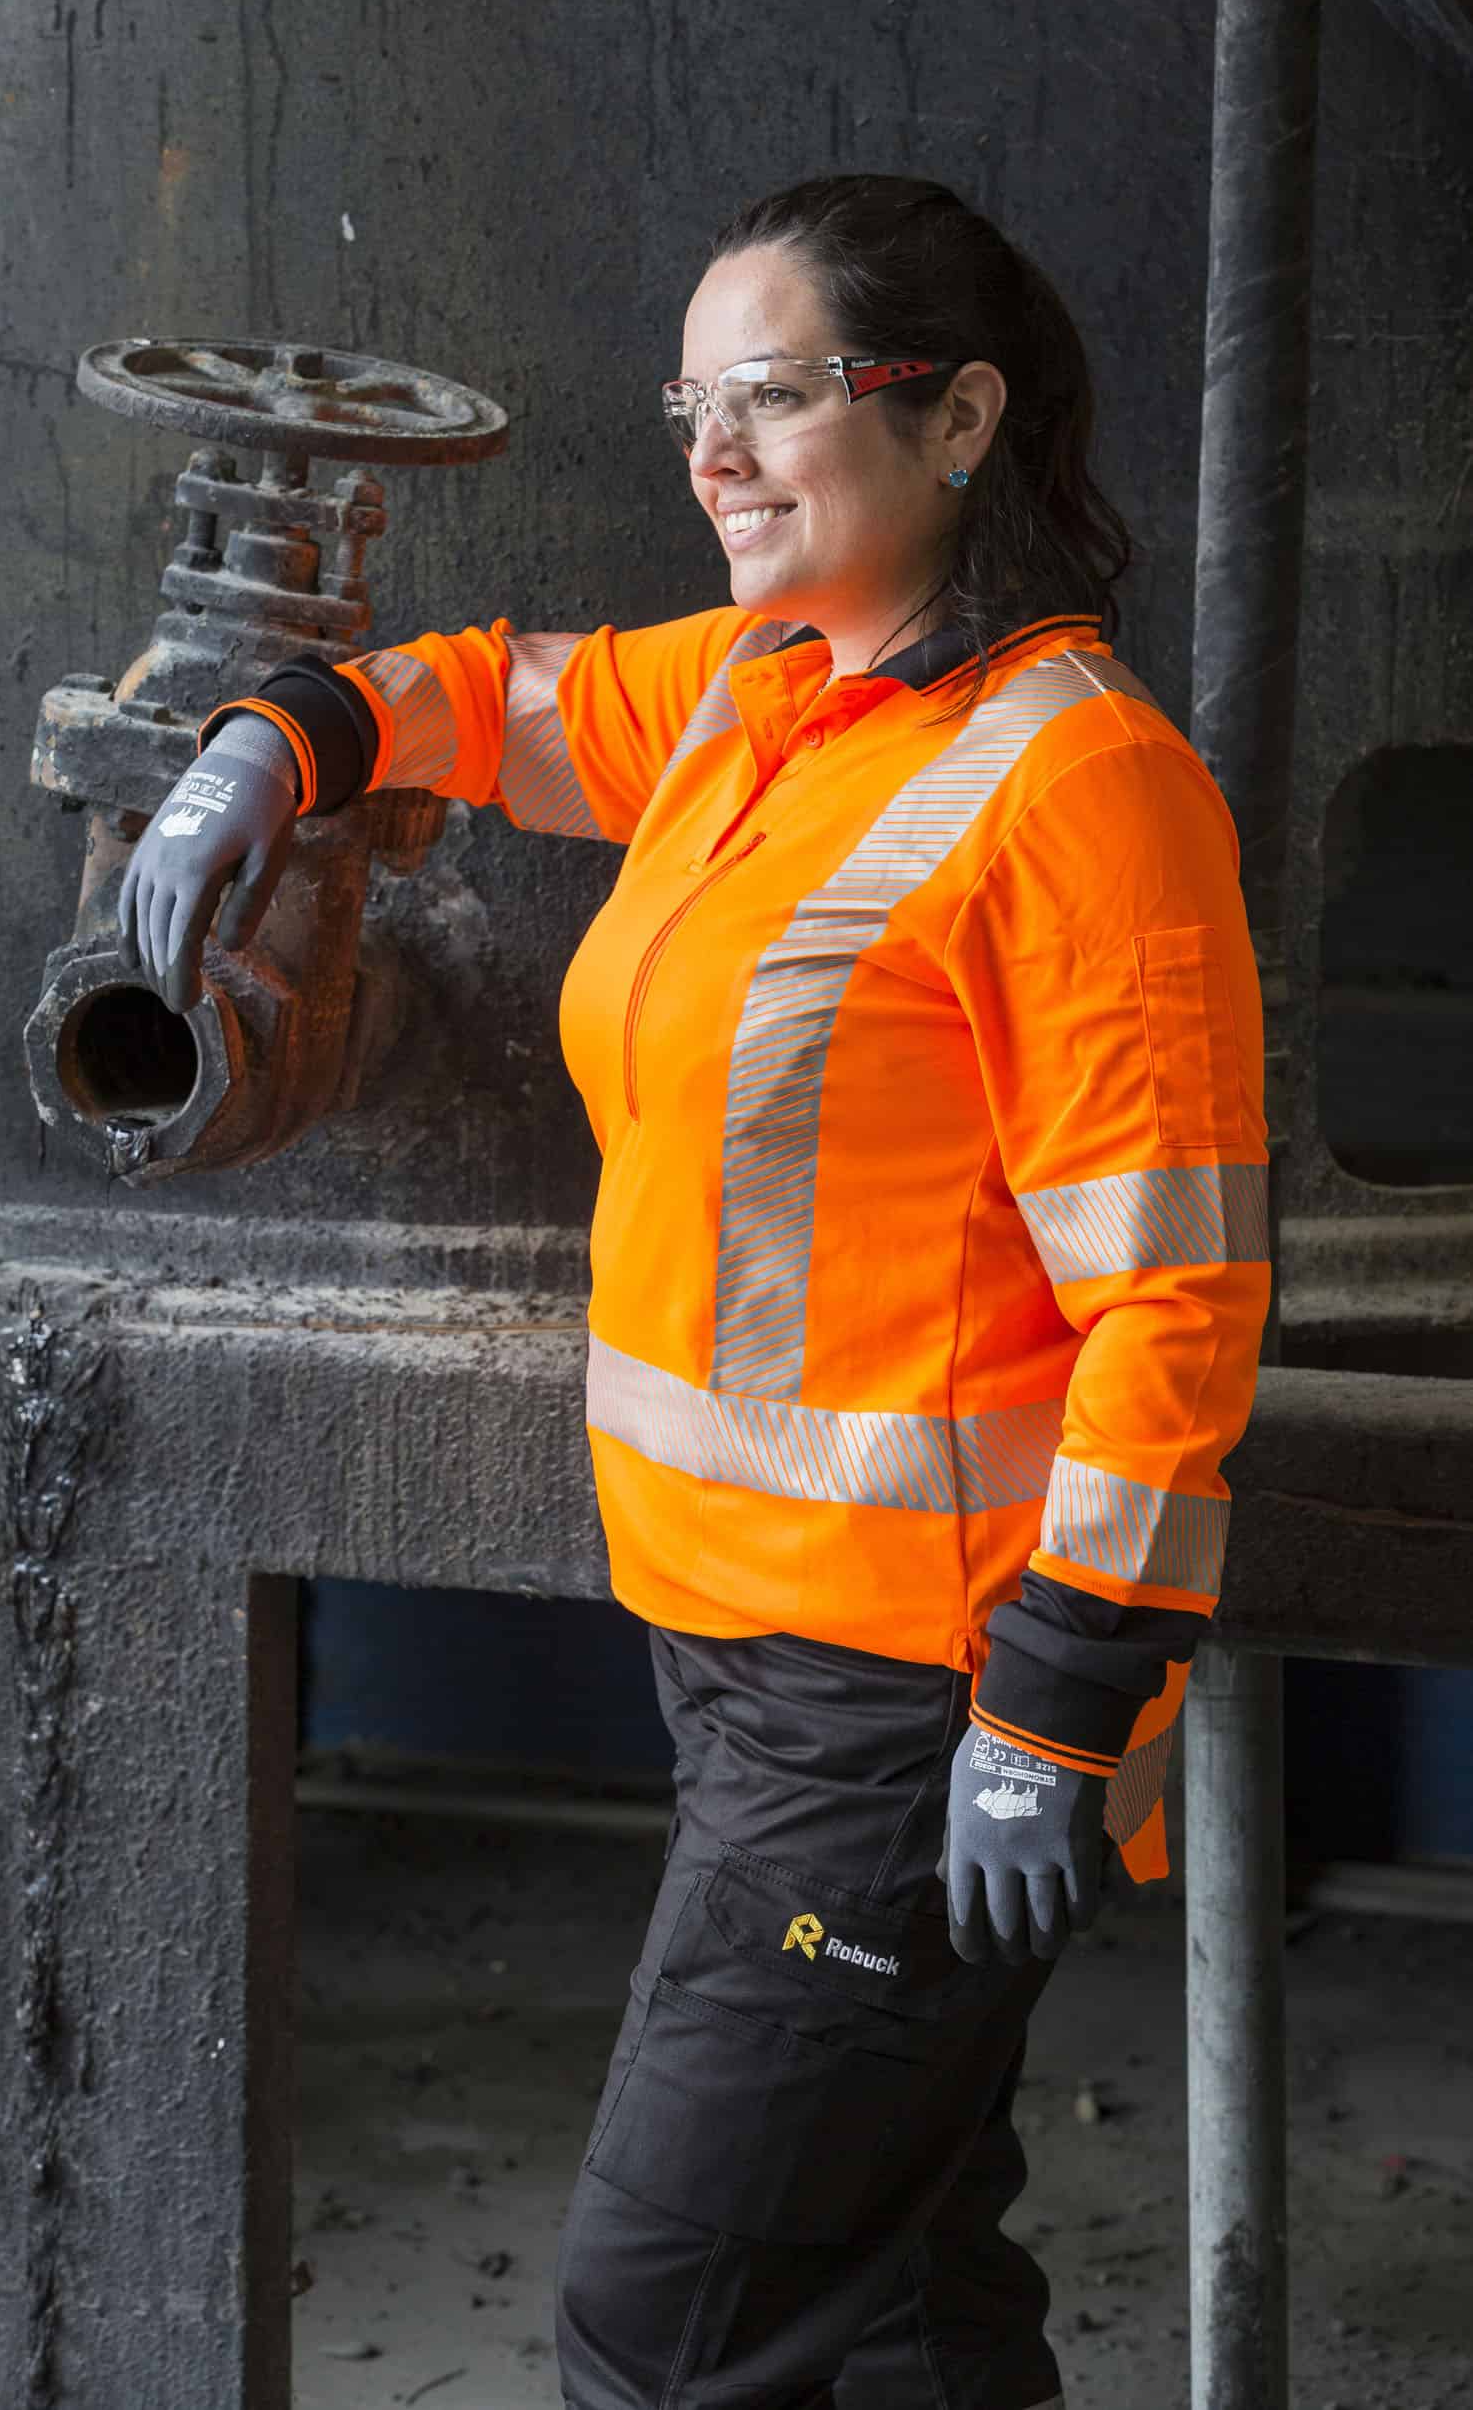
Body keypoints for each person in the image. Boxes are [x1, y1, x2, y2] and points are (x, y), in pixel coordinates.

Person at [120, 173, 1269, 2410]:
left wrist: (1046, 1713)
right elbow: (511, 692)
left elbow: (1173, 1304)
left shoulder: (1081, 788)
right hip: (732, 1646)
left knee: (671, 2333)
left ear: (954, 422)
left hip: (909, 1693)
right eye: (688, 408)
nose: (713, 457)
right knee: (906, 2285)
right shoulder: (763, 696)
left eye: (773, 396)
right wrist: (286, 737)